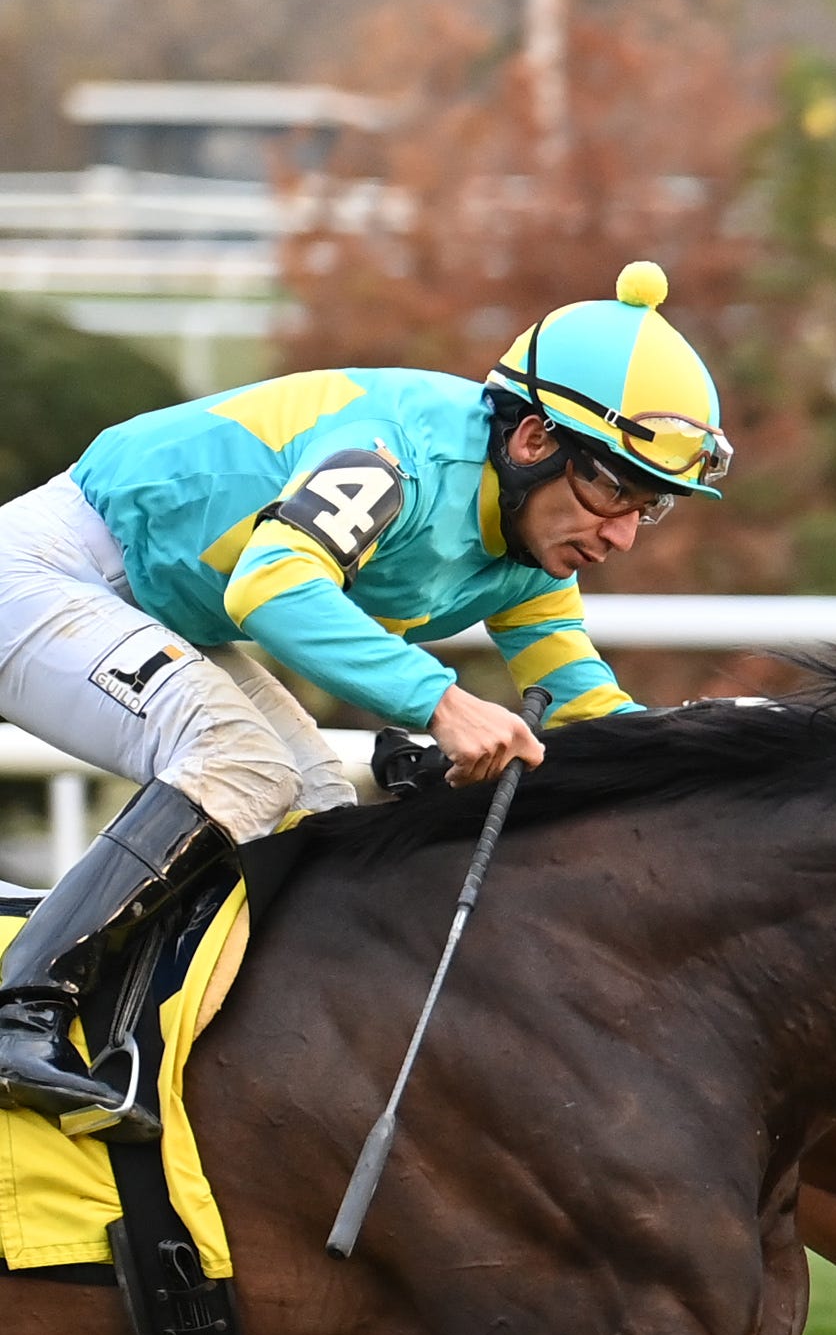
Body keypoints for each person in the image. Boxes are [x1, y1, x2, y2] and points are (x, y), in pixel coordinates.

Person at [0, 261, 729, 1136]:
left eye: (647, 509)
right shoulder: (399, 455)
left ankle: (162, 1043)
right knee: (238, 759)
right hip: (49, 571)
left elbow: (584, 705)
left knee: (314, 804)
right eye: (611, 489)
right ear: (534, 439)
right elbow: (271, 590)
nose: (619, 535)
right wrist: (442, 704)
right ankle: (19, 1018)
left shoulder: (526, 553)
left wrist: (725, 768)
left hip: (142, 600)